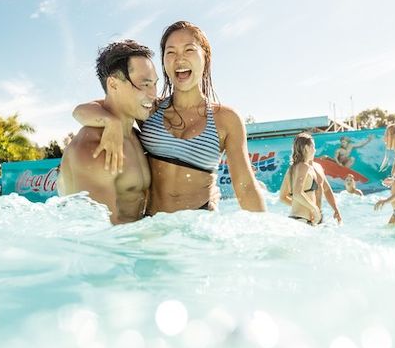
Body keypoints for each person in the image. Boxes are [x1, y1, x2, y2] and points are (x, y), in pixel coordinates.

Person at [73, 21, 266, 214]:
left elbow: (246, 187)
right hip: (153, 226)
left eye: (189, 50)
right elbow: (82, 111)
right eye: (170, 52)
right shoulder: (150, 109)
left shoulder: (226, 119)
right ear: (164, 61)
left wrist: (263, 235)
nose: (179, 59)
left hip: (198, 225)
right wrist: (110, 121)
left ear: (205, 56)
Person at [58, 40, 158, 224]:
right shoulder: (94, 147)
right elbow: (103, 238)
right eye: (144, 85)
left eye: (154, 84)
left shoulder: (136, 136)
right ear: (113, 85)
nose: (153, 94)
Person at [279, 132, 341, 225]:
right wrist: (314, 209)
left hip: (302, 220)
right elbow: (297, 193)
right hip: (301, 220)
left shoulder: (293, 168)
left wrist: (335, 209)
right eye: (313, 147)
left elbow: (282, 197)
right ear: (307, 148)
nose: (315, 150)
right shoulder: (303, 167)